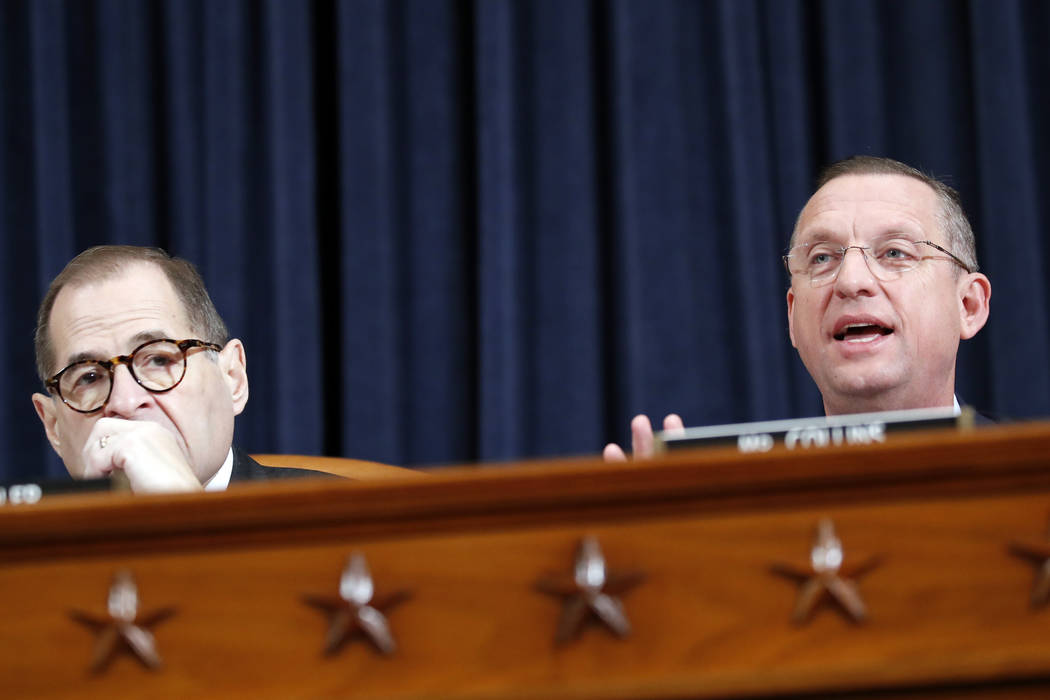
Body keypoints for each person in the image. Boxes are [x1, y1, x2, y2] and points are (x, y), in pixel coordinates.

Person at [604, 155, 992, 460]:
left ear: (968, 305)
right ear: (792, 316)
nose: (851, 281)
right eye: (823, 258)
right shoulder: (735, 511)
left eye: (894, 252)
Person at [32, 245, 314, 492]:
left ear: (233, 379)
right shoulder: (17, 549)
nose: (125, 402)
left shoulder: (341, 520)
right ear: (54, 427)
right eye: (89, 377)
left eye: (159, 360)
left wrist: (186, 514)